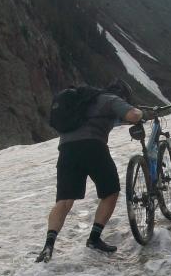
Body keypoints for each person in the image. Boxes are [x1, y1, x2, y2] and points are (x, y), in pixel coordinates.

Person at [36, 79, 144, 263]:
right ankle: (94, 238)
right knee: (110, 192)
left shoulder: (85, 100)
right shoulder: (110, 100)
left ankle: (48, 246)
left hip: (67, 150)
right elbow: (133, 115)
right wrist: (140, 112)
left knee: (64, 201)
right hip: (93, 147)